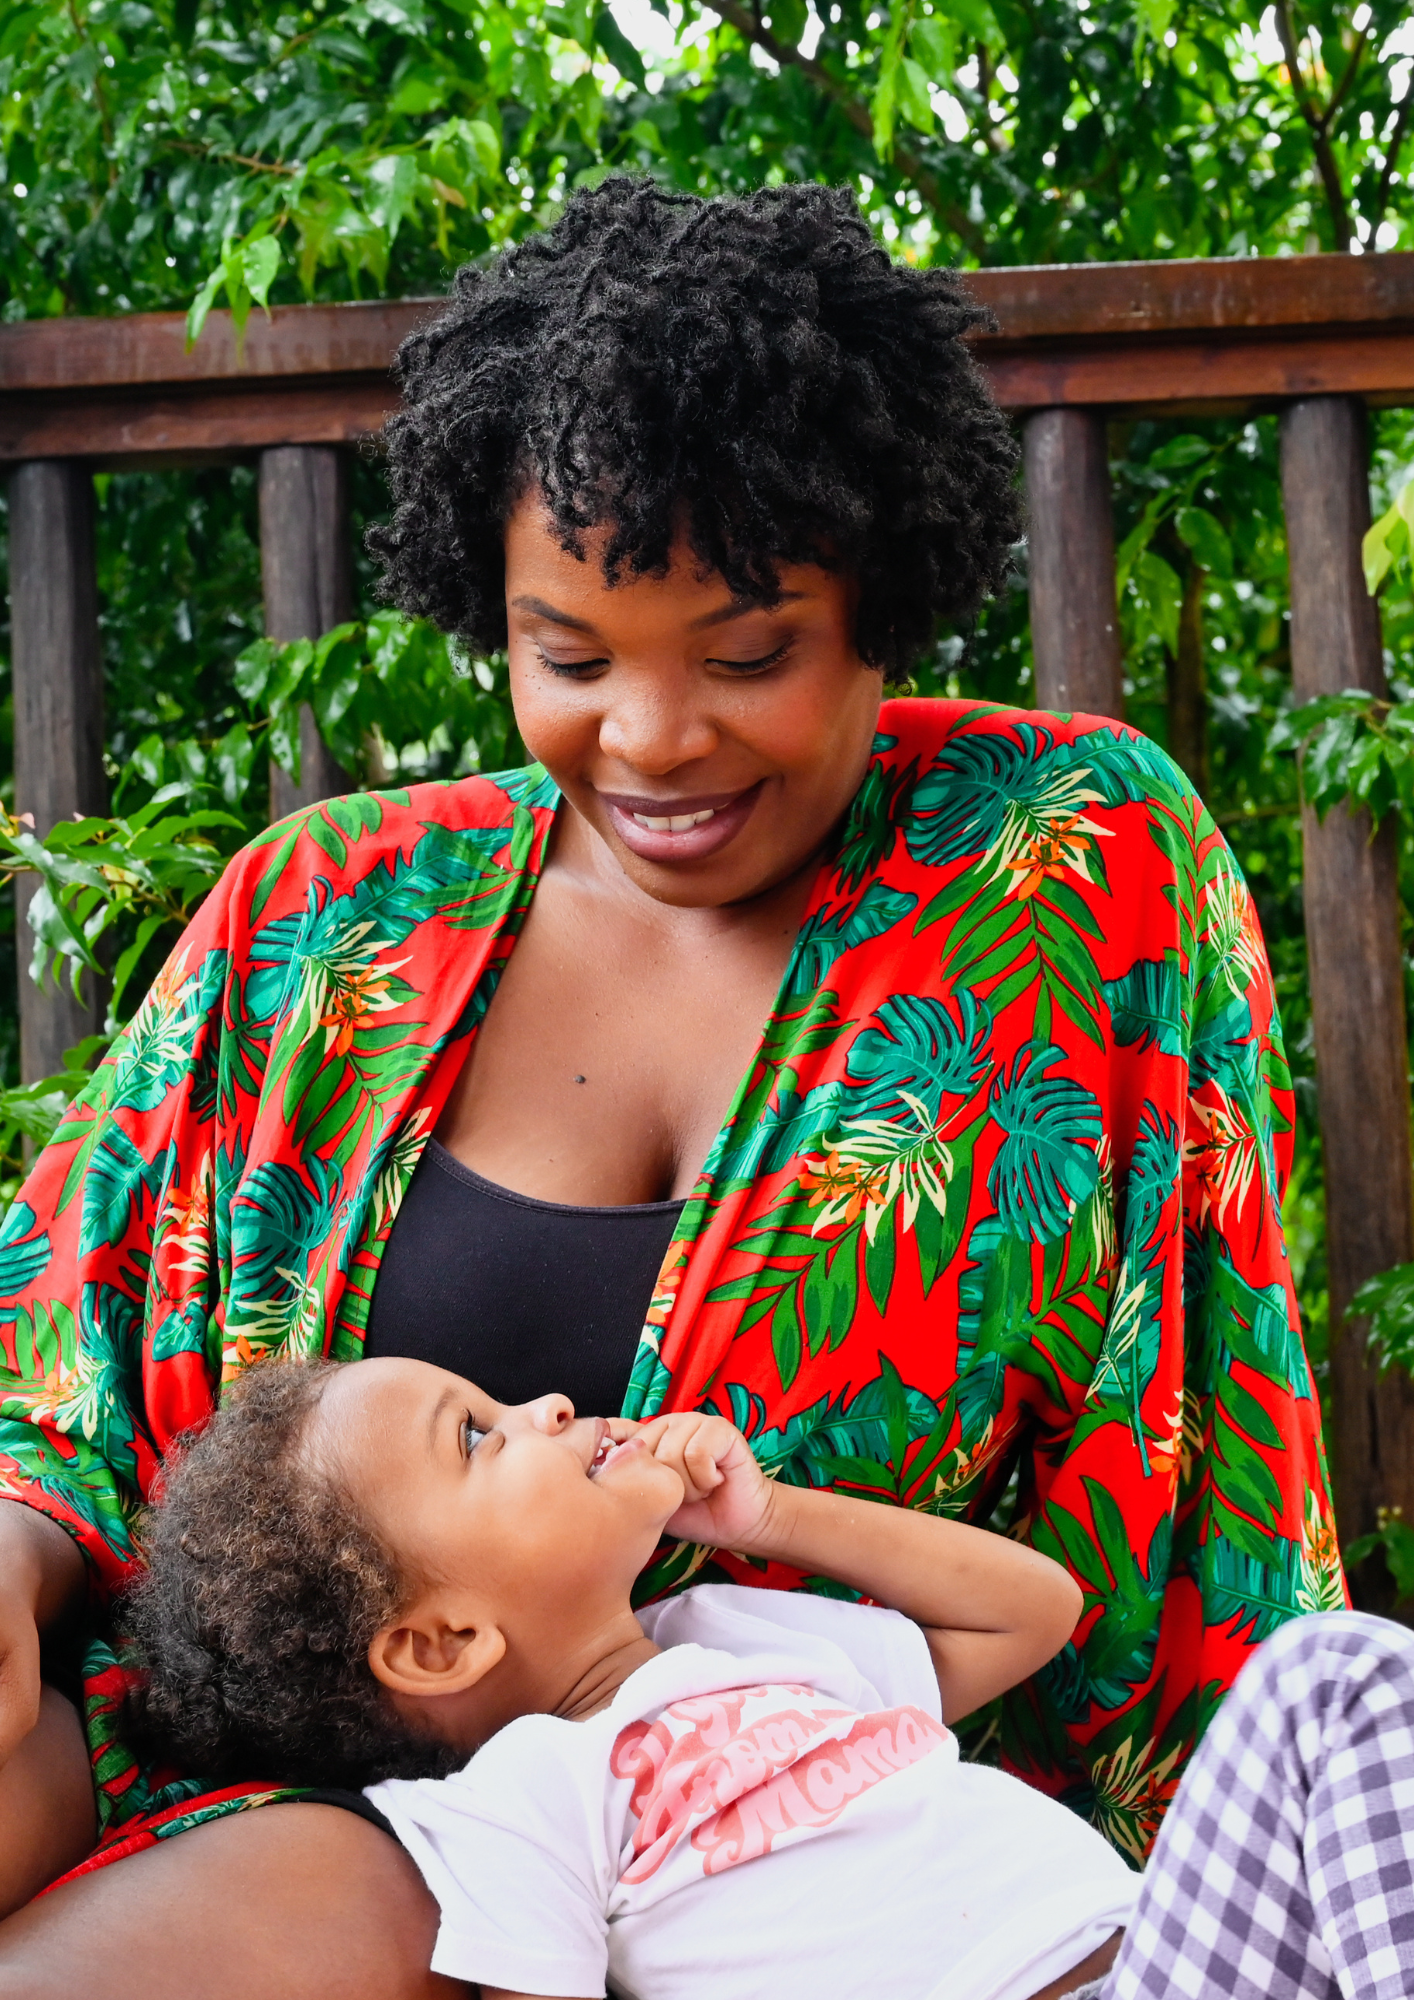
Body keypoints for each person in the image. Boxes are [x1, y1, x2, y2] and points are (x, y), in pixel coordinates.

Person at [0, 177, 1335, 1994]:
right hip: (359, 1819)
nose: (647, 741)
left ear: (883, 594)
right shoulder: (320, 917)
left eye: (746, 653)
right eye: (566, 660)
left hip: (851, 1877)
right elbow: (50, 1369)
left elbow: (1201, 1460)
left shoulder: (1065, 867)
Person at [127, 1359, 1414, 2000]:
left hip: (1184, 1957)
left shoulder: (726, 1634)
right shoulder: (519, 1801)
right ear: (440, 1641)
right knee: (1336, 1672)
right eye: (479, 1432)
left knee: (1341, 1694)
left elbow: (1034, 1609)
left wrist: (773, 1515)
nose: (552, 1404)